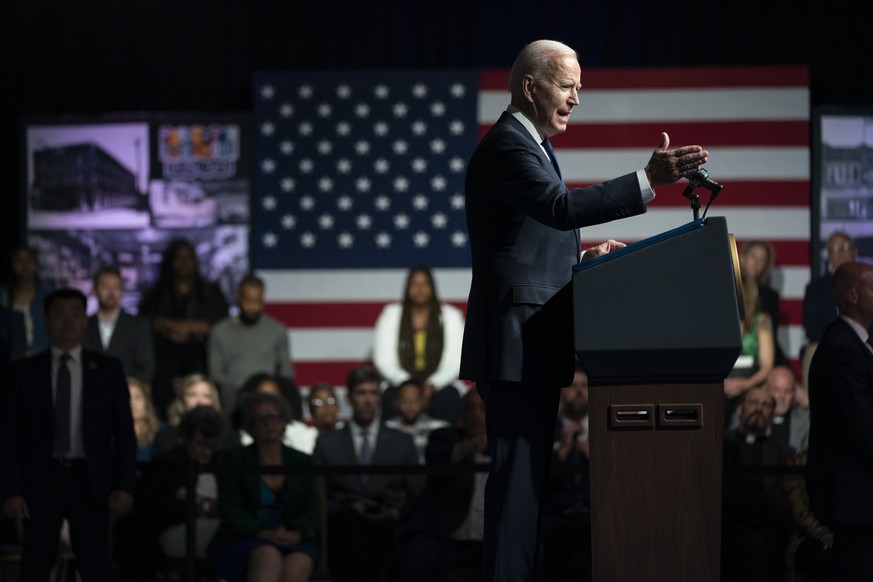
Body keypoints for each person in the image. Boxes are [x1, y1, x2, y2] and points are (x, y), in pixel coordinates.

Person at [459, 39, 708, 582]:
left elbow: (533, 236)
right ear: (531, 86)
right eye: (568, 86)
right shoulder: (508, 144)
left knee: (524, 496)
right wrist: (648, 181)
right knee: (515, 498)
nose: (576, 99)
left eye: (578, 89)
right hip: (517, 346)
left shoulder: (533, 145)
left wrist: (583, 255)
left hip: (530, 346)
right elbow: (559, 208)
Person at [0, 287, 137, 581]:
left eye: (76, 314)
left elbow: (124, 433)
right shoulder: (24, 371)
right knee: (35, 565)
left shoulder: (108, 369)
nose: (68, 321)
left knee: (96, 564)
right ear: (46, 320)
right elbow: (9, 436)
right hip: (40, 479)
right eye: (59, 314)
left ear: (85, 321)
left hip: (90, 479)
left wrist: (124, 485)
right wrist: (11, 490)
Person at [312, 365, 422, 582]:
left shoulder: (402, 442)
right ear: (350, 398)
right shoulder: (327, 444)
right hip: (341, 529)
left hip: (389, 528)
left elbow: (417, 492)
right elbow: (317, 495)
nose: (368, 400)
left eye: (373, 393)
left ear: (380, 398)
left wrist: (393, 512)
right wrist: (346, 508)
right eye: (361, 393)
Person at [807, 261, 873, 580]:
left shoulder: (855, 343)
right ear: (852, 295)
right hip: (855, 498)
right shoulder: (841, 348)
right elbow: (862, 427)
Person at [211, 392, 319, 582]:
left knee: (299, 563)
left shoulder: (301, 460)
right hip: (246, 538)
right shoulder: (235, 460)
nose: (269, 423)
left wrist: (298, 533)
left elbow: (312, 508)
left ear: (285, 420)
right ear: (249, 426)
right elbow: (230, 509)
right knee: (268, 557)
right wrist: (262, 532)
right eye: (260, 419)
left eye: (274, 416)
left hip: (292, 537)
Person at [114, 405, 227, 582]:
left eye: (211, 446)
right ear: (185, 437)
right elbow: (148, 507)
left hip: (218, 534)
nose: (206, 451)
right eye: (200, 444)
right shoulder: (166, 465)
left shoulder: (225, 464)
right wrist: (191, 508)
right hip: (172, 532)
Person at [399, 389, 489, 582]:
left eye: (483, 408)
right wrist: (468, 447)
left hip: (490, 543)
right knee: (417, 551)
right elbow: (439, 459)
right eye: (469, 408)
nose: (476, 414)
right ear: (461, 413)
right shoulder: (444, 438)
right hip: (446, 539)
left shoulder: (509, 446)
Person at [138, 238, 229, 418]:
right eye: (179, 258)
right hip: (164, 353)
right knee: (160, 380)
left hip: (200, 352)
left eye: (188, 258)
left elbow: (220, 323)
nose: (184, 263)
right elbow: (145, 321)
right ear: (170, 262)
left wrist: (189, 329)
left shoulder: (210, 291)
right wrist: (172, 327)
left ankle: (202, 418)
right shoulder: (157, 292)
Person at [373, 266, 465, 425]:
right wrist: (409, 386)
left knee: (450, 397)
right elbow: (384, 360)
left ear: (433, 287)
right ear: (407, 287)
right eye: (414, 284)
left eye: (425, 284)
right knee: (389, 396)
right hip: (400, 383)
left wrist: (432, 385)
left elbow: (455, 361)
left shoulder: (451, 316)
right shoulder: (391, 314)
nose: (420, 289)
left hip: (439, 386)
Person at [722, 387, 792, 582]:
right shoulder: (722, 446)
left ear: (772, 415)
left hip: (767, 527)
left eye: (766, 405)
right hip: (729, 525)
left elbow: (783, 498)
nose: (759, 409)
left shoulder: (783, 452)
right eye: (753, 402)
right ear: (740, 409)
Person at [209, 275, 295, 417]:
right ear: (238, 296)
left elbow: (287, 371)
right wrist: (240, 386)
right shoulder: (220, 331)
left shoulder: (277, 330)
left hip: (269, 395)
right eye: (248, 301)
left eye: (258, 301)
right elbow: (216, 373)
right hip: (236, 395)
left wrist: (269, 387)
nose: (253, 307)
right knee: (228, 395)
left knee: (290, 394)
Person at [537, 364, 592, 582]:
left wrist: (596, 459)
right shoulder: (547, 429)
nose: (580, 391)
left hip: (593, 516)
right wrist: (561, 452)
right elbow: (537, 480)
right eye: (573, 386)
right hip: (557, 517)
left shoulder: (602, 428)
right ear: (561, 392)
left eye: (585, 386)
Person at [802, 231, 859, 388]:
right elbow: (810, 327)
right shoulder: (815, 288)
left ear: (855, 251)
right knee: (813, 351)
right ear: (828, 256)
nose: (840, 253)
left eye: (844, 247)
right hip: (827, 345)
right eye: (834, 248)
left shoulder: (868, 284)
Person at [723, 266, 776, 429]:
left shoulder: (762, 321)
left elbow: (767, 366)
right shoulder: (716, 320)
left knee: (752, 404)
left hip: (750, 382)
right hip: (720, 382)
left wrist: (746, 385)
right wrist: (722, 384)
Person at [83, 266, 155, 385]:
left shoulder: (138, 325)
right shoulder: (83, 325)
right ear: (94, 290)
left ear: (122, 292)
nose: (111, 292)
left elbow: (146, 368)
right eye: (105, 287)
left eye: (116, 287)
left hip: (127, 394)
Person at [237, 373, 317, 454]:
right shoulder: (241, 438)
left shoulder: (303, 434)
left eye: (273, 397)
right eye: (263, 398)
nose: (268, 404)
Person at [153, 373, 230, 456]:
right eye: (193, 395)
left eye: (206, 396)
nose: (200, 402)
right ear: (182, 400)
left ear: (213, 401)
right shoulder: (165, 437)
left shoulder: (226, 437)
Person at [739, 240, 788, 366]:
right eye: (753, 256)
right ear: (742, 258)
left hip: (763, 358)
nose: (756, 263)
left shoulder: (770, 297)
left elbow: (771, 334)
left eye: (762, 259)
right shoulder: (727, 290)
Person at [0, 245, 51, 355]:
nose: (25, 265)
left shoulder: (47, 295)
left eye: (29, 260)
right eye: (19, 260)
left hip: (40, 357)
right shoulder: (3, 294)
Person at [384, 379, 450, 462]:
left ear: (423, 401)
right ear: (396, 403)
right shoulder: (386, 429)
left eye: (415, 401)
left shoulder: (440, 429)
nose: (410, 406)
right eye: (405, 401)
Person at [764, 365, 810, 455]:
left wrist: (807, 400)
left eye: (787, 391)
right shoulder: (756, 416)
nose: (782, 396)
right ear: (767, 389)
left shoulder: (805, 420)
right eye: (776, 390)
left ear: (795, 392)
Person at [128, 377, 163, 462]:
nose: (132, 402)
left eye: (138, 397)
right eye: (126, 397)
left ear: (146, 402)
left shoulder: (161, 432)